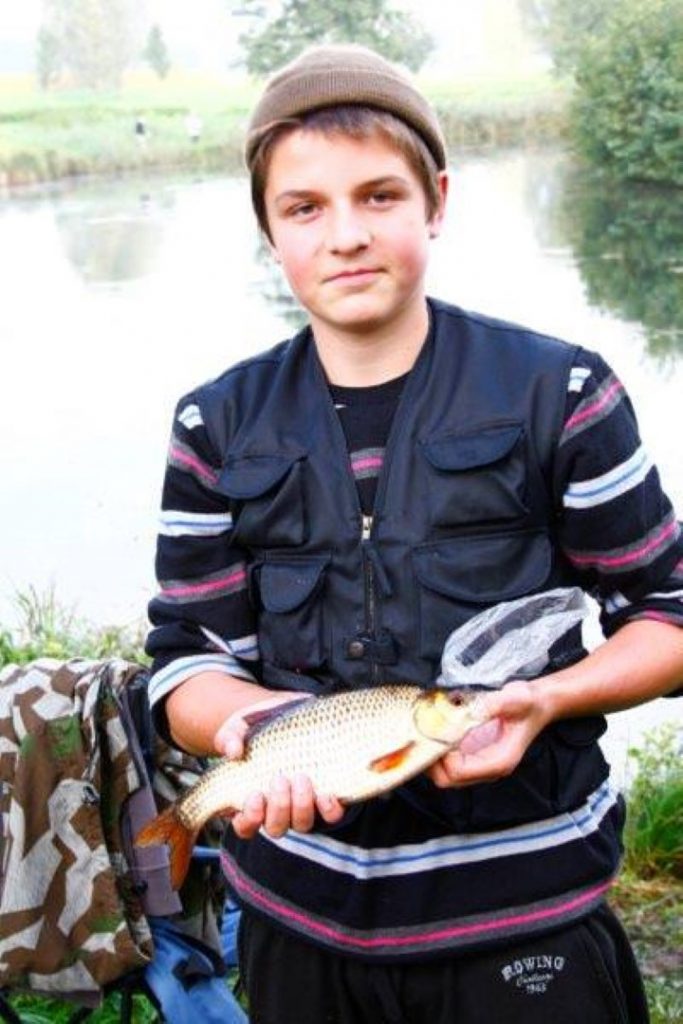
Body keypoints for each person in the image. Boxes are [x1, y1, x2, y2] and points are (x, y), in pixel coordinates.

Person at [145, 44, 683, 1023]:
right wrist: (245, 726)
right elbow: (186, 659)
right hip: (299, 926)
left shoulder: (561, 393)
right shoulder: (212, 425)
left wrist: (543, 699)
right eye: (304, 208)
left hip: (528, 920)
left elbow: (668, 614)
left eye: (379, 196)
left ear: (436, 200)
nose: (346, 235)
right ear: (268, 230)